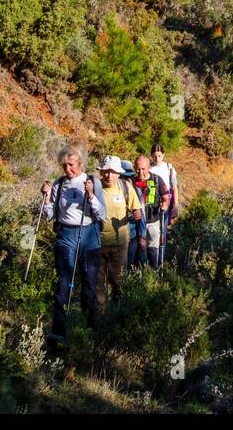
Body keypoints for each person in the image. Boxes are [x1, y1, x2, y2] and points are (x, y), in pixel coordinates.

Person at [40, 145, 105, 344]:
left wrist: (91, 195)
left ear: (80, 164)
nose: (67, 169)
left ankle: (90, 331)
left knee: (89, 285)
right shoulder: (59, 184)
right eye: (64, 165)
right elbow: (49, 216)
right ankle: (58, 333)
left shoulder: (92, 181)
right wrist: (46, 197)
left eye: (71, 165)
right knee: (63, 283)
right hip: (66, 234)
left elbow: (102, 213)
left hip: (89, 235)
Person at [97, 155, 142, 304]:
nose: (109, 175)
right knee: (98, 283)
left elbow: (137, 210)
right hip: (98, 243)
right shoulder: (95, 188)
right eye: (106, 171)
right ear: (101, 172)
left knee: (118, 281)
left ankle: (117, 315)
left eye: (112, 172)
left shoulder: (125, 187)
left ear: (118, 173)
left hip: (120, 243)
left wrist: (136, 214)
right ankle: (100, 317)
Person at [127, 155, 168, 270]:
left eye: (143, 169)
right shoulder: (131, 182)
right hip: (135, 223)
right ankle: (138, 274)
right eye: (138, 169)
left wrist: (165, 204)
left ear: (149, 167)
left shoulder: (156, 179)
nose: (140, 172)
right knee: (137, 250)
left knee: (153, 250)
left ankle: (153, 272)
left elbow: (166, 197)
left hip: (153, 221)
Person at [149, 143, 179, 264]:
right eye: (155, 156)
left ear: (163, 155)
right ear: (151, 156)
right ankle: (152, 259)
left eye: (159, 156)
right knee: (152, 231)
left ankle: (161, 259)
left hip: (167, 203)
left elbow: (175, 187)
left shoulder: (169, 168)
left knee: (163, 231)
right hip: (152, 204)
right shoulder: (149, 169)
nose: (157, 159)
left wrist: (175, 205)